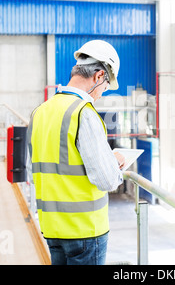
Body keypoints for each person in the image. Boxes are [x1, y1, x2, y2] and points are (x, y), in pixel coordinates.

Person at [26, 40, 125, 265]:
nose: (101, 93)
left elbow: (44, 165)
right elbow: (106, 180)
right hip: (85, 232)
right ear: (99, 76)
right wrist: (115, 163)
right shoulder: (84, 114)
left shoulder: (40, 112)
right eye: (105, 86)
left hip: (52, 228)